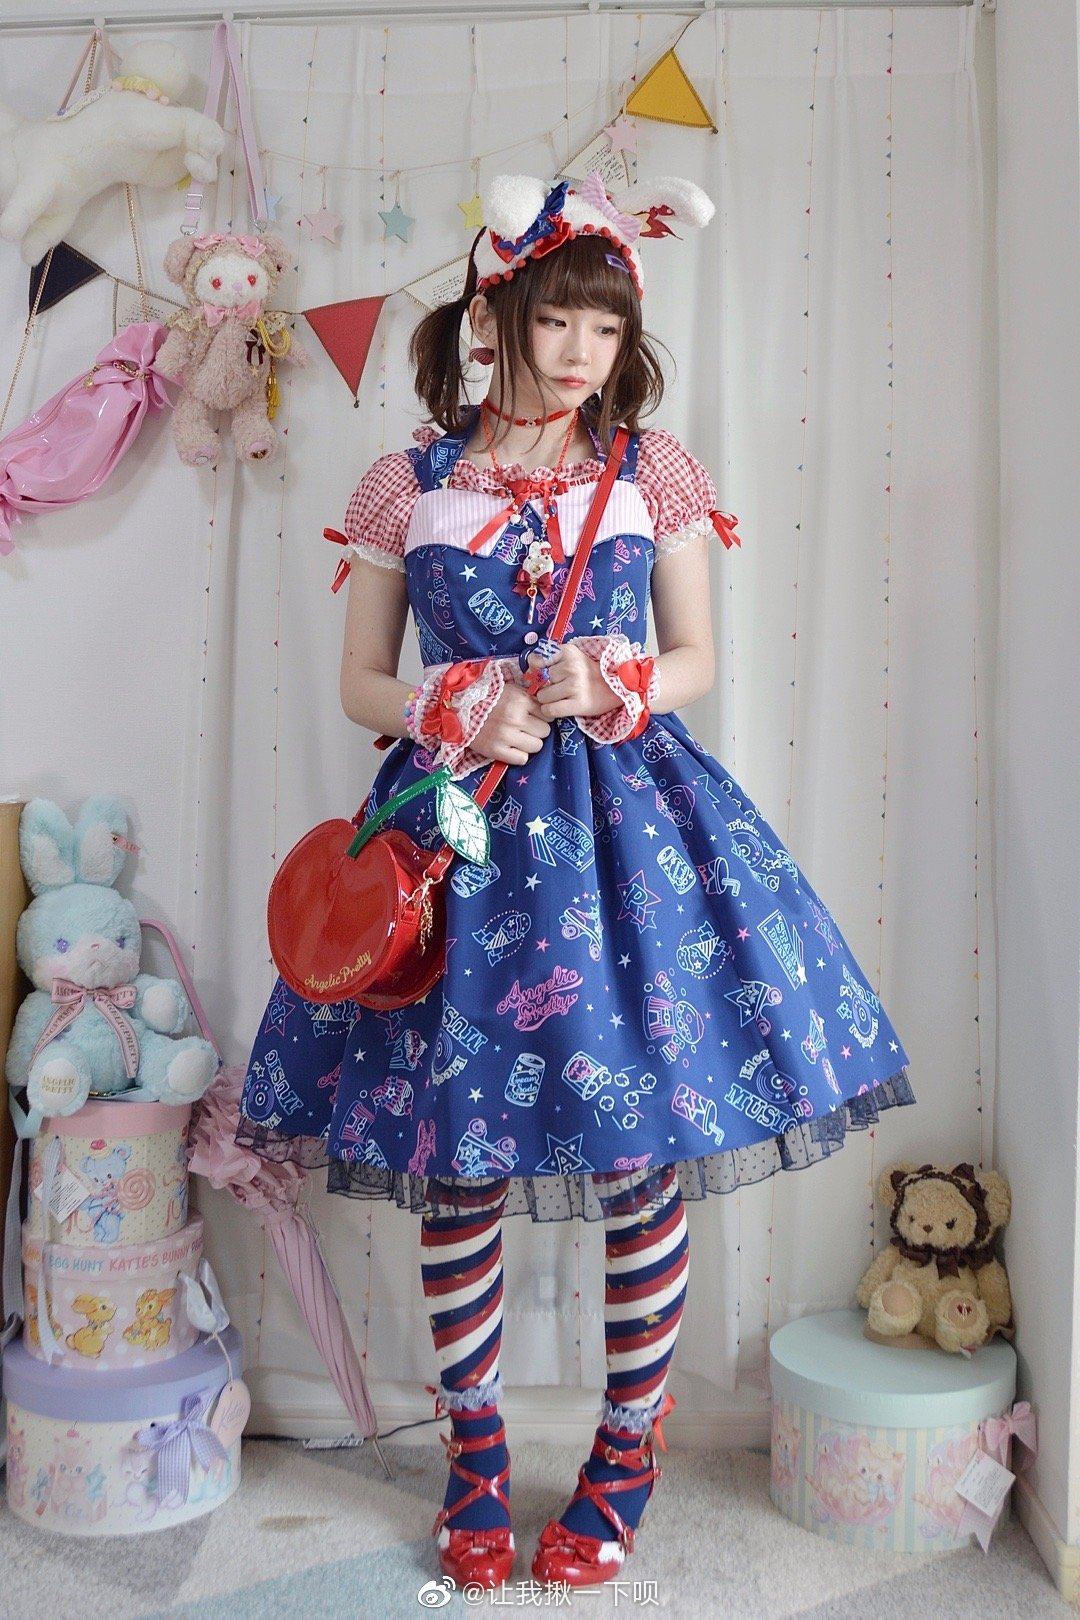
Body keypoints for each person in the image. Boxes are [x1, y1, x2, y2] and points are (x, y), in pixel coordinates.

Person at [236, 170, 914, 1590]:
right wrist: (453, 704)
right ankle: (476, 1461)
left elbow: (698, 660)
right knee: (460, 1162)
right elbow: (362, 683)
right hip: (453, 836)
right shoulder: (409, 483)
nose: (582, 353)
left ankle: (624, 1456)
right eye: (558, 320)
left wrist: (615, 682)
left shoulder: (654, 471)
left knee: (634, 1156)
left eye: (606, 329)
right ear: (495, 317)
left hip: (626, 839)